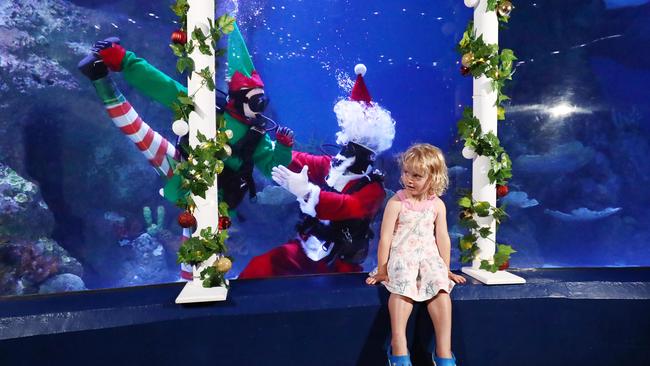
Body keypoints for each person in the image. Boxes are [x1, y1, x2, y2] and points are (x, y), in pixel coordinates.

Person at [238, 64, 395, 278]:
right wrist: (268, 146)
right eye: (345, 146)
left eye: (351, 149)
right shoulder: (332, 165)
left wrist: (307, 192)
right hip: (306, 249)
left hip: (339, 262)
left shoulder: (373, 189)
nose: (342, 154)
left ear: (368, 156)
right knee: (261, 267)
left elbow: (348, 207)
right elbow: (300, 160)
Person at [366, 143, 466, 366]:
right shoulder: (397, 202)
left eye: (417, 175)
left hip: (428, 258)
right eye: (406, 173)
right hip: (403, 256)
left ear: (433, 178)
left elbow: (442, 237)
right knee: (402, 288)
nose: (409, 179)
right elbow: (385, 238)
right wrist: (382, 269)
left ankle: (444, 351)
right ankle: (399, 345)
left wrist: (446, 269)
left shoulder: (437, 205)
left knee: (441, 290)